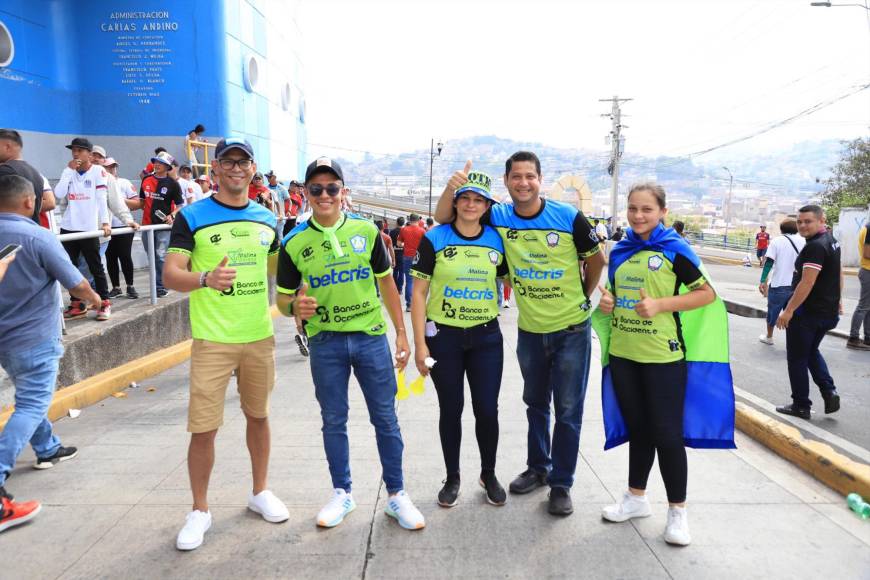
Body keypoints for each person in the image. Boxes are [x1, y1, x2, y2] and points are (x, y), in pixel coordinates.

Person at [434, 152, 605, 516]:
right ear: (507, 181)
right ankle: (538, 467)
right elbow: (446, 218)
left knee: (569, 409)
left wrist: (581, 298)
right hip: (530, 331)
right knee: (535, 404)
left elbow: (597, 259)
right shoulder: (498, 215)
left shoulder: (568, 216)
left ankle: (561, 483)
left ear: (540, 179)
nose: (523, 183)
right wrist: (452, 188)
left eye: (530, 176)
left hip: (572, 330)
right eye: (516, 177)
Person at [276, 157, 425, 531]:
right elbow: (281, 300)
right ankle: (342, 492)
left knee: (386, 419)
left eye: (332, 188)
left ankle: (396, 494)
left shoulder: (367, 232)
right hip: (325, 342)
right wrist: (295, 305)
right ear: (306, 194)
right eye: (316, 189)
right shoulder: (293, 242)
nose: (324, 195)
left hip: (370, 338)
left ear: (343, 192)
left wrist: (402, 333)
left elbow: (388, 283)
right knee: (333, 420)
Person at [163, 137, 288, 551]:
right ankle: (199, 510)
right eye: (228, 161)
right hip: (213, 340)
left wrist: (303, 294)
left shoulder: (266, 218)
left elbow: (280, 270)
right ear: (214, 169)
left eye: (244, 161)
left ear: (253, 169)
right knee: (204, 428)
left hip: (258, 336)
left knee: (259, 416)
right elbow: (170, 274)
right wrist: (205, 279)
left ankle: (260, 492)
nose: (236, 168)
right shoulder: (193, 216)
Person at [593, 183, 722, 547]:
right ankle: (636, 498)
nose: (638, 215)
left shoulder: (675, 249)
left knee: (666, 435)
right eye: (633, 208)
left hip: (663, 358)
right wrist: (608, 303)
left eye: (646, 209)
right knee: (638, 429)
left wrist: (662, 305)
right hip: (623, 354)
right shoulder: (620, 250)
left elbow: (707, 293)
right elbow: (615, 294)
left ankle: (678, 513)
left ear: (662, 211)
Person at [0, 174, 101, 533]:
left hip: (4, 340)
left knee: (30, 397)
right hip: (33, 337)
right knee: (31, 403)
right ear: (29, 202)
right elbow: (76, 282)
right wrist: (94, 300)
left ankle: (47, 448)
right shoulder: (37, 236)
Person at [410, 171, 509, 508]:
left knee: (487, 410)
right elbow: (419, 292)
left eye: (478, 199)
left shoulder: (497, 239)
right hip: (444, 339)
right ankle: (452, 477)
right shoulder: (435, 237)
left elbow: (516, 277)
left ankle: (488, 472)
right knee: (451, 409)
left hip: (486, 338)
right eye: (465, 198)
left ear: (487, 206)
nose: (470, 204)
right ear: (455, 202)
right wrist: (420, 345)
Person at [775, 205, 842, 419]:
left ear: (821, 221)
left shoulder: (815, 246)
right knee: (811, 351)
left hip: (807, 313)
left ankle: (801, 405)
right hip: (827, 311)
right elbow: (838, 273)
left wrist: (789, 311)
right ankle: (829, 391)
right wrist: (838, 300)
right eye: (800, 222)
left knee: (796, 358)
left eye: (808, 221)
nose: (803, 225)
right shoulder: (831, 241)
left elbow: (807, 282)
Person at [54, 137, 112, 321]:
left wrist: (104, 223)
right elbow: (59, 194)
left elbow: (102, 199)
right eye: (74, 150)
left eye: (80, 150)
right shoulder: (68, 171)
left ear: (89, 153)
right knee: (68, 268)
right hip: (68, 227)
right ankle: (77, 303)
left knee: (95, 266)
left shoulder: (98, 172)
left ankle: (104, 302)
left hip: (88, 228)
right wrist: (68, 171)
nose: (76, 153)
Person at [128, 151, 184, 298]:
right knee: (151, 256)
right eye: (155, 162)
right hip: (146, 225)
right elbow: (141, 202)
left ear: (167, 167)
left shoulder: (173, 184)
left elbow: (180, 205)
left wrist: (172, 215)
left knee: (160, 256)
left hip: (163, 227)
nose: (157, 164)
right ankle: (157, 284)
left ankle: (161, 286)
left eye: (161, 163)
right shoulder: (146, 180)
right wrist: (121, 203)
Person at [758, 219, 804, 345]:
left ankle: (769, 337)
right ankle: (793, 342)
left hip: (779, 284)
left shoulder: (777, 241)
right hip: (797, 285)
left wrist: (763, 280)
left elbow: (769, 262)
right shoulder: (804, 241)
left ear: (782, 230)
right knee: (793, 313)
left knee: (773, 311)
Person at [102, 157, 141, 299]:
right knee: (110, 257)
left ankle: (130, 286)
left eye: (113, 166)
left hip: (124, 226)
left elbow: (137, 204)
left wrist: (117, 200)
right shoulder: (99, 182)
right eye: (108, 167)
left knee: (125, 256)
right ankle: (116, 287)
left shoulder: (124, 183)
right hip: (107, 227)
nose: (111, 169)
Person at [0, 129, 55, 225]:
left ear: (7, 147)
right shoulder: (35, 172)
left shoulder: (6, 170)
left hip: (8, 233)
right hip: (29, 230)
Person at [847, 221, 870, 350]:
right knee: (863, 307)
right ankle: (853, 338)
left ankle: (868, 338)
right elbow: (867, 253)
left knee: (868, 308)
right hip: (868, 271)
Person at [397, 213, 426, 311]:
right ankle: (418, 303)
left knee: (409, 280)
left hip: (407, 257)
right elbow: (426, 245)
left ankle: (409, 304)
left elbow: (399, 243)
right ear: (418, 220)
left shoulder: (404, 229)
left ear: (410, 220)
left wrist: (406, 245)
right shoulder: (422, 231)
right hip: (418, 258)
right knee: (419, 281)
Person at [265, 171, 290, 238]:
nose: (268, 178)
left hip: (280, 216)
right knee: (270, 235)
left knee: (279, 235)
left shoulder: (282, 188)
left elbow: (289, 201)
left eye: (269, 177)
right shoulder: (266, 188)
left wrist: (288, 211)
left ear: (274, 177)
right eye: (267, 177)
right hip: (270, 215)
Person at [389, 216, 406, 293]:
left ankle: (395, 287)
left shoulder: (392, 232)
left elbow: (390, 244)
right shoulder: (405, 231)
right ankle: (400, 289)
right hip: (403, 254)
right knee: (402, 272)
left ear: (396, 222)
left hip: (395, 254)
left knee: (395, 271)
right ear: (403, 223)